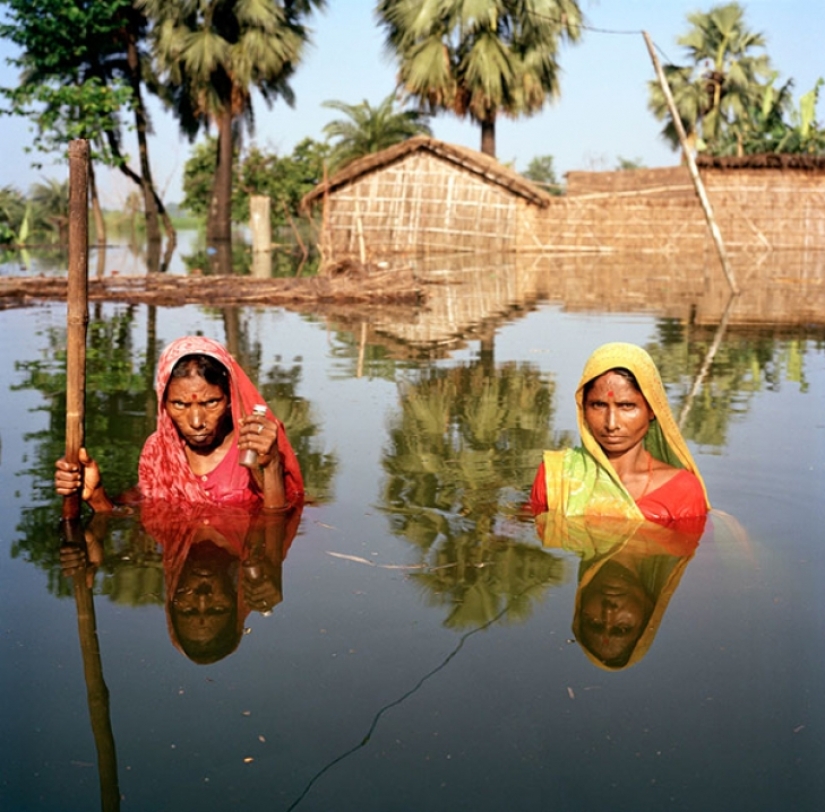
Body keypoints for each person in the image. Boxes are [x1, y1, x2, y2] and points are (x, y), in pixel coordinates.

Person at [55, 336, 303, 511]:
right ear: (163, 403)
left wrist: (270, 466)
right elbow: (136, 511)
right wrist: (97, 496)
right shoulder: (159, 450)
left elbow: (276, 526)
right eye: (180, 405)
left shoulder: (255, 442)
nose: (196, 422)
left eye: (211, 403)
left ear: (229, 398)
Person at [529, 342, 709, 525]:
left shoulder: (681, 490)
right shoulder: (556, 476)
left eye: (627, 406)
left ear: (652, 409)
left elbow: (689, 549)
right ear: (583, 408)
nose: (611, 424)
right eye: (598, 405)